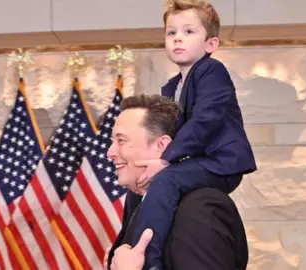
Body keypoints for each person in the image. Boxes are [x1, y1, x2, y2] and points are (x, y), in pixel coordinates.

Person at [130, 0, 257, 269]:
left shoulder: (212, 71)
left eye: (189, 32)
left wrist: (164, 160)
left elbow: (205, 121)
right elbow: (168, 131)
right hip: (194, 161)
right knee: (139, 183)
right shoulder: (172, 86)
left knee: (164, 181)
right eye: (171, 32)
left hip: (220, 163)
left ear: (210, 44)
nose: (178, 38)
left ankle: (149, 262)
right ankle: (128, 249)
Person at [106, 94, 248, 270]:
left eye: (121, 141)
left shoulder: (199, 209)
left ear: (161, 145)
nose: (110, 152)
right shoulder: (137, 199)